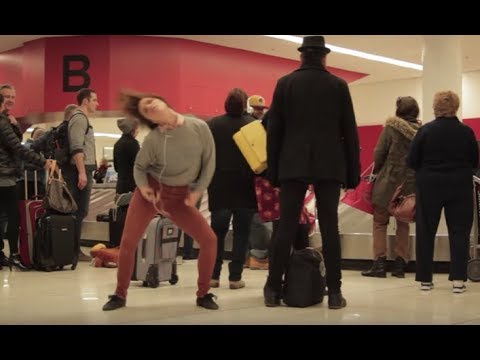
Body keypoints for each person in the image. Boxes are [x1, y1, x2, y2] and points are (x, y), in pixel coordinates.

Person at [265, 35, 361, 309]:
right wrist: (352, 171)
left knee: (285, 227)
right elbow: (349, 131)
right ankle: (334, 293)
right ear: (323, 56)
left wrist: (273, 169)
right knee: (330, 227)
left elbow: (275, 131)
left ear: (302, 55)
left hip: (292, 163)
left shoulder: (285, 84)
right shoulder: (338, 86)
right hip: (329, 164)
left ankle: (273, 289)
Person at [102, 89, 218, 311]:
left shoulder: (198, 127)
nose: (150, 107)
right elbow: (139, 166)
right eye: (146, 110)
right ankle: (119, 295)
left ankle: (204, 294)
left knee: (209, 240)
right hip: (151, 192)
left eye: (151, 102)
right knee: (128, 242)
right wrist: (144, 188)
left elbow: (209, 161)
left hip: (179, 197)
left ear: (163, 101)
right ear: (149, 119)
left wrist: (197, 190)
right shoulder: (154, 139)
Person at [407, 90, 479, 293]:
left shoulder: (425, 131)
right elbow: (475, 161)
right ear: (455, 106)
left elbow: (411, 160)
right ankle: (458, 280)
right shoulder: (466, 132)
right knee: (459, 231)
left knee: (426, 229)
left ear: (435, 107)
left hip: (429, 184)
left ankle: (425, 280)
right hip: (460, 184)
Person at [361, 97, 421, 278]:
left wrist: (377, 170)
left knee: (380, 222)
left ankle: (379, 265)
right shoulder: (422, 132)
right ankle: (400, 265)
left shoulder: (390, 129)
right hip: (409, 184)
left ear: (399, 110)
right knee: (403, 222)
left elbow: (379, 153)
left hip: (388, 182)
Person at [207, 88, 257, 289]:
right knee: (241, 233)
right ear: (244, 104)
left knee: (216, 233)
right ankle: (235, 277)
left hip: (219, 185)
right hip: (245, 185)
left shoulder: (213, 124)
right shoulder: (253, 125)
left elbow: (206, 155)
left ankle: (213, 276)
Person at [0, 93, 52, 270]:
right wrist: (43, 161)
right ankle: (14, 254)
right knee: (13, 215)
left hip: (5, 175)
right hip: (4, 176)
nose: (10, 101)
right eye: (7, 98)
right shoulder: (2, 122)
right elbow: (17, 147)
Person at [62, 89, 99, 261]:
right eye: (94, 100)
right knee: (77, 210)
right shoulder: (79, 118)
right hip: (78, 170)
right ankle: (73, 251)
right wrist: (82, 173)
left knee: (80, 211)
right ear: (85, 101)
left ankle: (73, 250)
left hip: (82, 169)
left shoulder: (81, 119)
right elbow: (76, 147)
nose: (97, 104)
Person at [245, 95, 271, 270]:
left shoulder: (262, 126)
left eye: (261, 109)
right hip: (253, 176)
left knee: (250, 216)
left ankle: (250, 256)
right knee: (255, 216)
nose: (259, 111)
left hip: (256, 176)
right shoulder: (250, 127)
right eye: (256, 108)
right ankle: (257, 255)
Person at [113, 118, 140, 195]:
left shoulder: (117, 144)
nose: (138, 131)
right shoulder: (133, 143)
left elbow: (116, 167)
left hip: (121, 185)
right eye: (137, 128)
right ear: (132, 130)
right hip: (132, 185)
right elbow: (138, 164)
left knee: (123, 206)